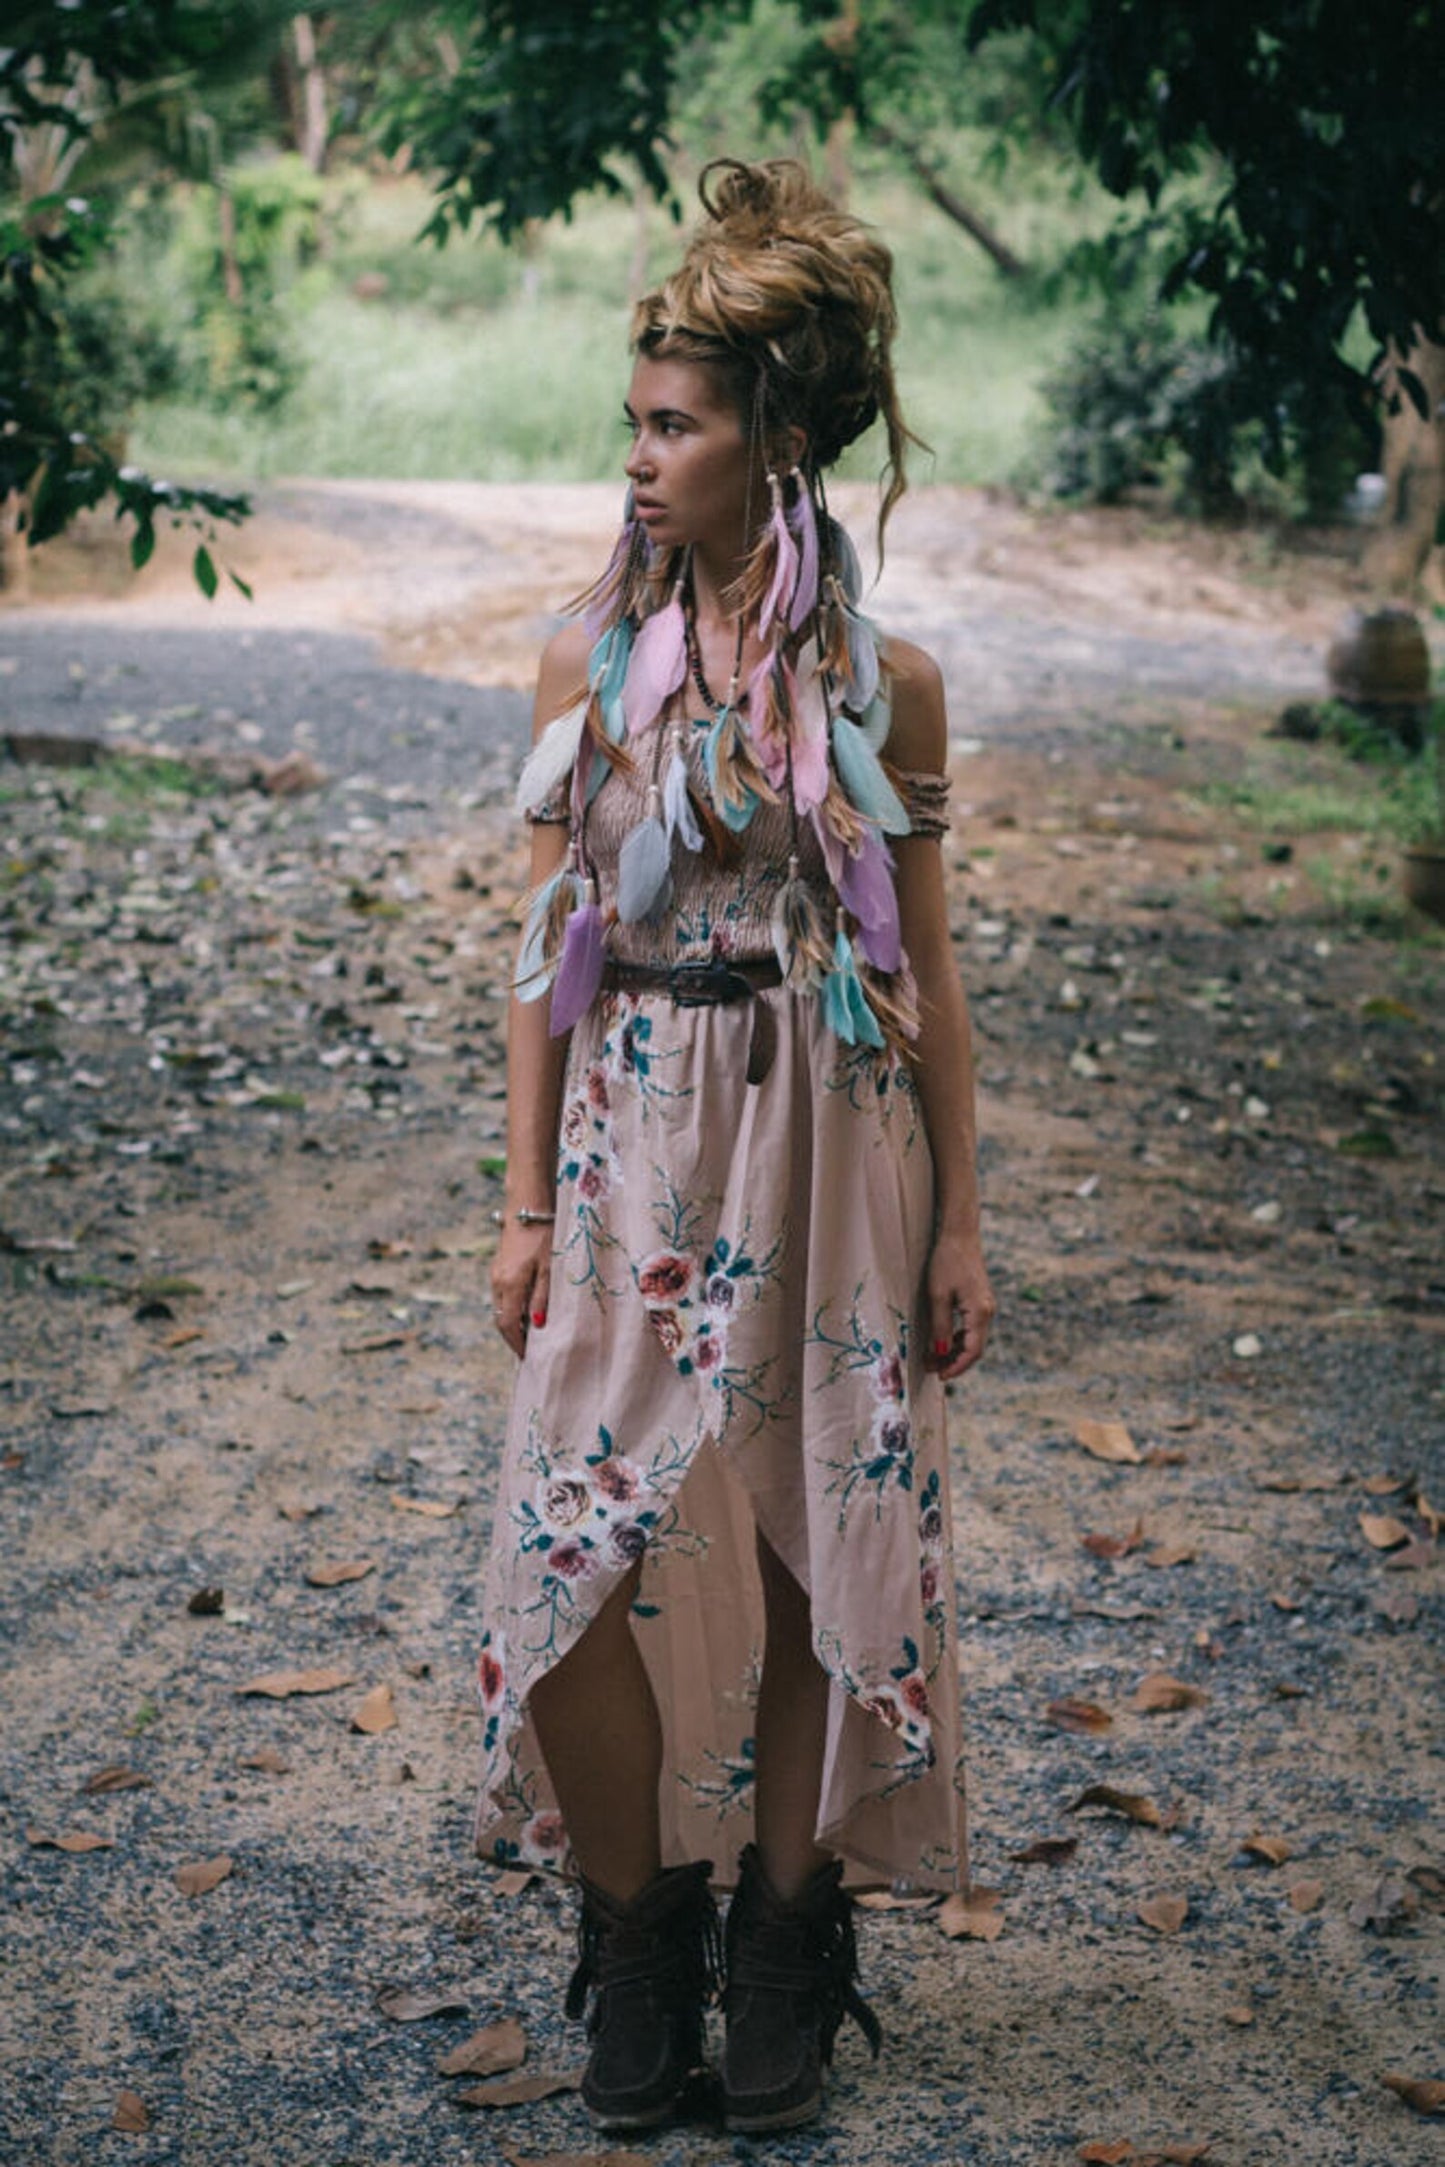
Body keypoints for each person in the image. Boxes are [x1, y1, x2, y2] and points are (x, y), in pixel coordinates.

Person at [481, 158, 993, 2137]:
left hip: (827, 1139)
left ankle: (785, 1927)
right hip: (632, 1136)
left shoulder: (885, 686)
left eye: (674, 426)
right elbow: (540, 961)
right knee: (564, 1554)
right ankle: (636, 1928)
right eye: (633, 420)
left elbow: (926, 975)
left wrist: (960, 1225)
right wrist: (522, 1201)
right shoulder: (584, 667)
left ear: (773, 444)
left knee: (810, 1549)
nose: (637, 458)